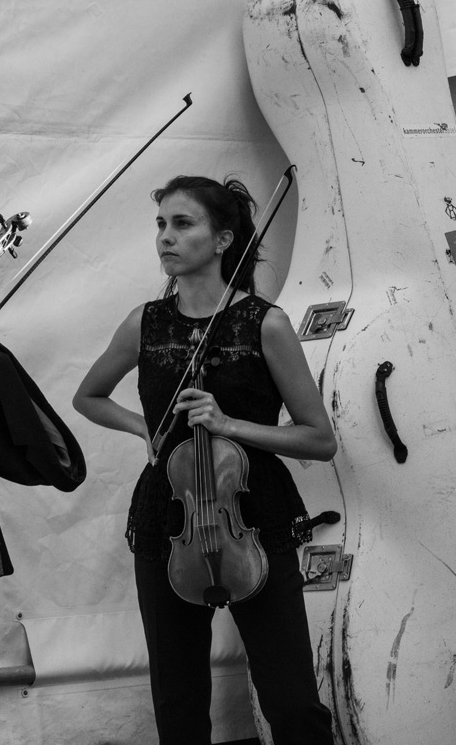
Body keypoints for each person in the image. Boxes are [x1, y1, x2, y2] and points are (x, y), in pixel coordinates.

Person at [72, 175, 336, 744]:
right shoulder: (144, 323)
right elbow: (87, 396)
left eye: (182, 224)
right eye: (160, 225)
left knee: (292, 701)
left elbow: (320, 438)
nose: (165, 237)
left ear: (222, 239)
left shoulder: (266, 323)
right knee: (178, 702)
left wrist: (228, 425)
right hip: (170, 519)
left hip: (254, 519)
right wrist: (145, 428)